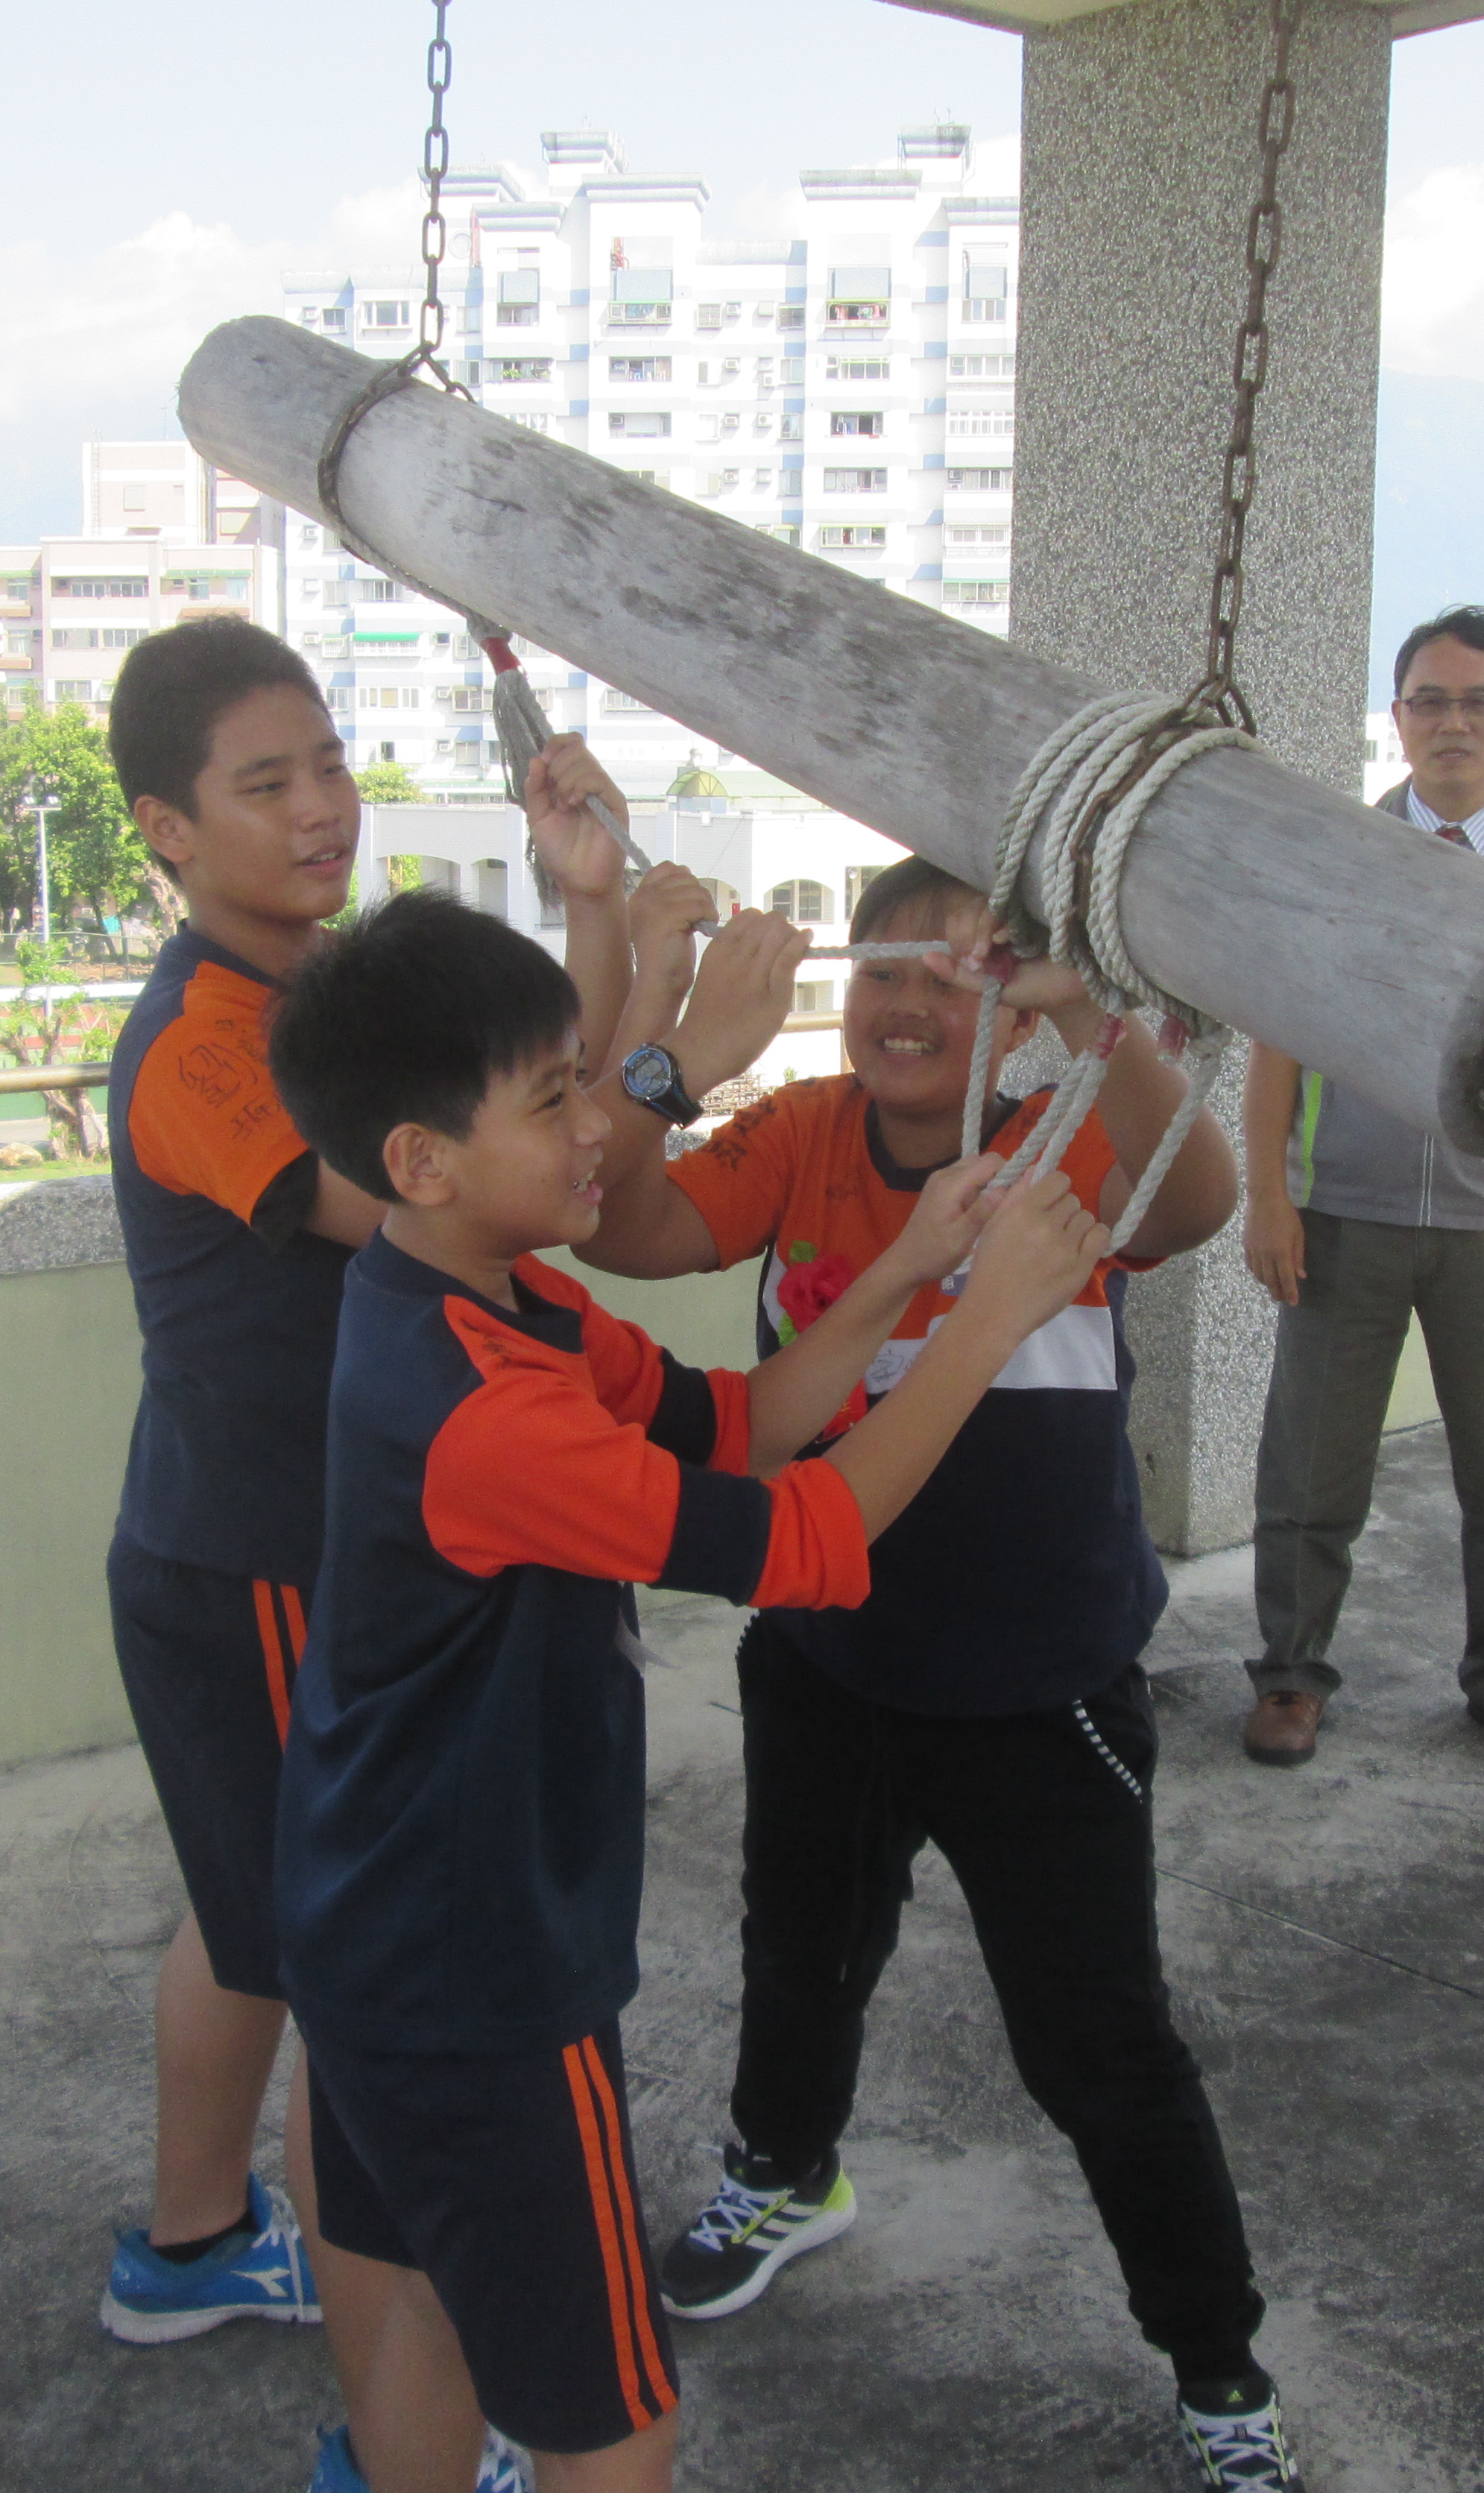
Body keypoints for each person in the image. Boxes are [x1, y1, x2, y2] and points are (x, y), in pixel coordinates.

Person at [265, 890, 1112, 2493]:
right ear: (423, 1161)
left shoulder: (486, 1297)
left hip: (369, 1928)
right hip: (482, 1977)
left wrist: (913, 1265)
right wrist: (988, 1327)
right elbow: (801, 1540)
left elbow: (739, 1424)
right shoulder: (482, 1409)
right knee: (616, 2421)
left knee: (430, 2306)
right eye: (553, 1100)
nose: (602, 1124)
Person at [574, 857, 1297, 2493]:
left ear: (1011, 1004)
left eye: (953, 978)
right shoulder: (799, 1134)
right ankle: (785, 2168)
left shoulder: (1064, 1126)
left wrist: (1092, 1018)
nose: (906, 1008)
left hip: (1044, 1686)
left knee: (1099, 2046)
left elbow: (1191, 1206)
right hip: (826, 1656)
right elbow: (624, 1222)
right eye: (882, 972)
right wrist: (668, 1028)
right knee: (802, 1950)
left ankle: (1218, 2364)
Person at [88, 613, 636, 2466]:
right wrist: (644, 1059)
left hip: (268, 1549)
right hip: (253, 1565)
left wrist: (589, 910)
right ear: (170, 830)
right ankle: (382, 2439)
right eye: (267, 785)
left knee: (262, 1919)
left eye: (328, 764)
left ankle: (186, 2248)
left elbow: (522, 1099)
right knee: (352, 1990)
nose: (321, 808)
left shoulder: (306, 994)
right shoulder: (204, 1047)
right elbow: (432, 1187)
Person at [1236, 602, 1484, 1775]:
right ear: (1398, 718)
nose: (1454, 723)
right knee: (1311, 1471)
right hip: (1341, 1217)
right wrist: (1269, 1197)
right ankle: (1291, 1677)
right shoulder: (1339, 856)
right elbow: (1278, 1034)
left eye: (1479, 702)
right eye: (1430, 701)